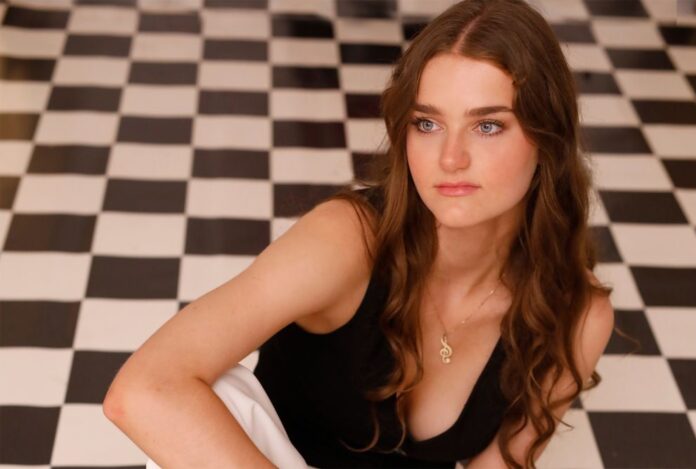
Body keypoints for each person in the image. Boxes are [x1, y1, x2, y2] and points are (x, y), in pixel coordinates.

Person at [102, 0, 619, 467]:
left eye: (487, 125)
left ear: (547, 138)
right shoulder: (347, 239)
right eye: (427, 123)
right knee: (218, 391)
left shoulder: (575, 314)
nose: (450, 158)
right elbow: (143, 391)